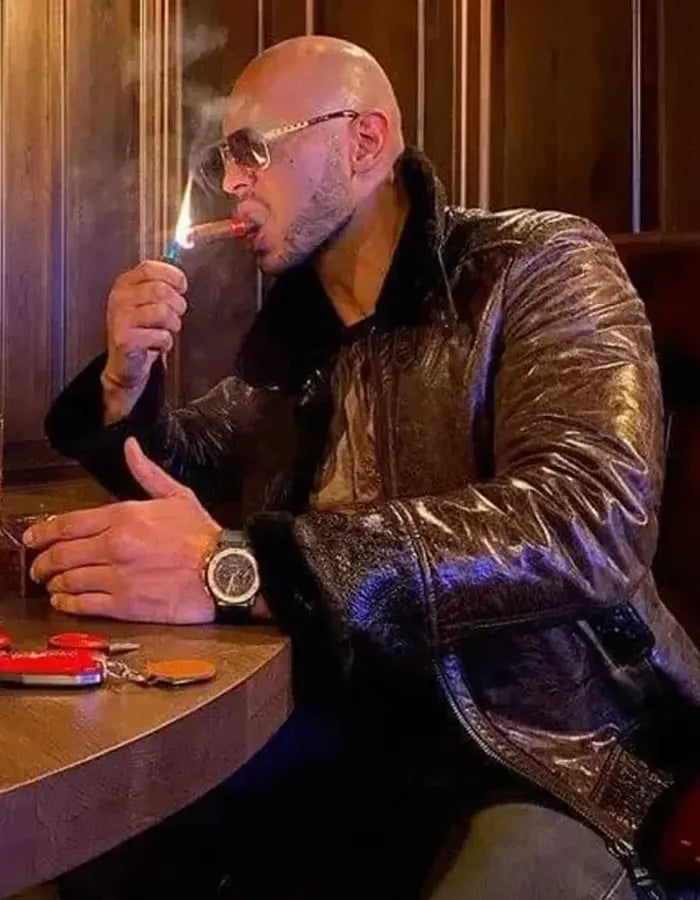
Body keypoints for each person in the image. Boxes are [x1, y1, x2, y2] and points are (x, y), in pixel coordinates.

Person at [28, 34, 700, 900]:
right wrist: (125, 386)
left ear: (365, 141)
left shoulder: (537, 264)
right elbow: (191, 481)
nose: (231, 182)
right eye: (223, 159)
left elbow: (589, 518)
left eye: (251, 150)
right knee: (108, 837)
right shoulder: (302, 344)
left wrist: (246, 568)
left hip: (559, 755)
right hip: (359, 740)